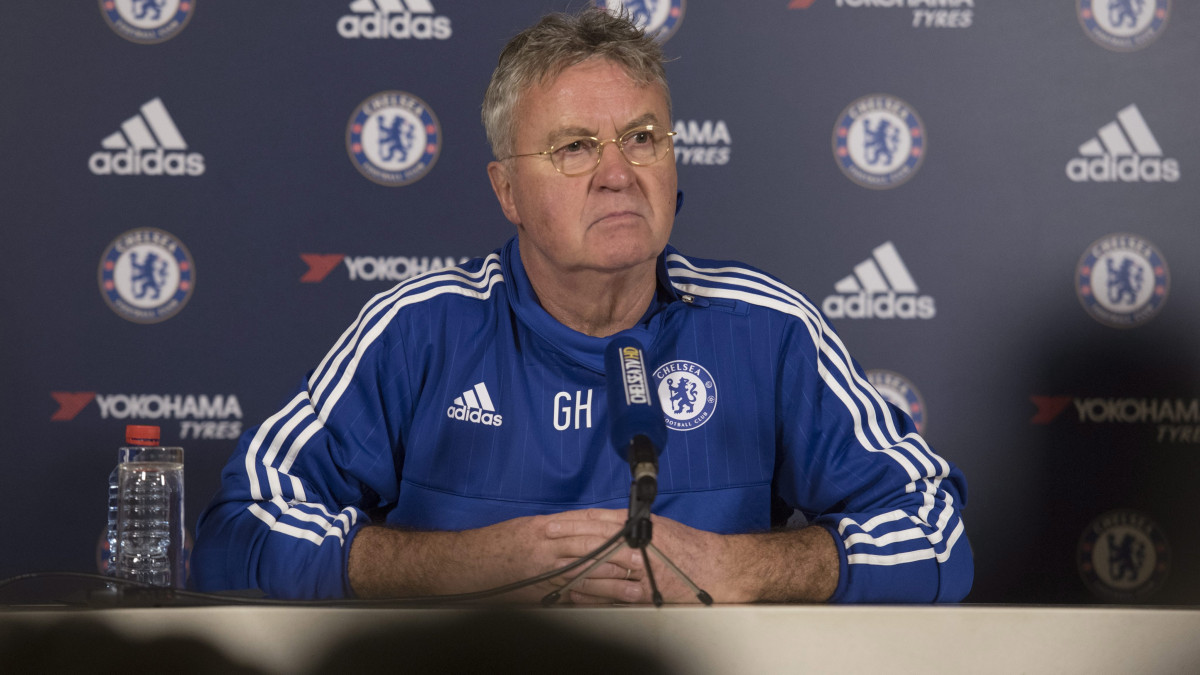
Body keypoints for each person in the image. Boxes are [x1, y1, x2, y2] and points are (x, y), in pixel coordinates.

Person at [192, 8, 972, 604]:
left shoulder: (766, 329)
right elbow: (239, 531)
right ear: (506, 191)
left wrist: (741, 566)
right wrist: (470, 568)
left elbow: (938, 532)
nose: (617, 173)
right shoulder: (418, 329)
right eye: (572, 147)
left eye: (642, 137)